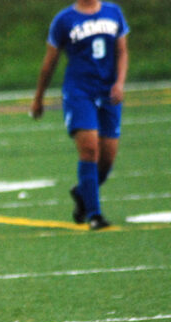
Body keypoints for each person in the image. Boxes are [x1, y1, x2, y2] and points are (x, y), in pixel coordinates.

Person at [31, 0, 129, 230]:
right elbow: (50, 62)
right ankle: (94, 215)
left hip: (109, 93)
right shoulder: (64, 20)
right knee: (90, 150)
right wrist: (38, 98)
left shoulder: (113, 12)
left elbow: (122, 51)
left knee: (107, 159)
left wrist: (120, 83)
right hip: (79, 92)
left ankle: (82, 193)